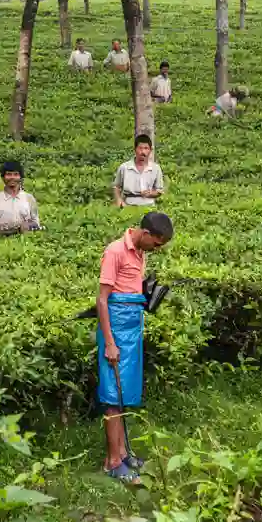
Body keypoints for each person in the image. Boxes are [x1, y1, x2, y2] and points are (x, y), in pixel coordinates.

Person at [96, 211, 174, 483]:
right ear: (146, 233)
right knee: (112, 396)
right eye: (157, 243)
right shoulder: (115, 251)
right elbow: (103, 300)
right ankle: (112, 462)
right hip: (116, 329)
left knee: (124, 394)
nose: (158, 248)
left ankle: (124, 452)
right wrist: (109, 343)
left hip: (132, 326)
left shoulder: (141, 252)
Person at [0, 160, 41, 234]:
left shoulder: (29, 198)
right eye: (9, 174)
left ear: (20, 178)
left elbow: (36, 223)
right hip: (0, 240)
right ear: (3, 177)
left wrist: (26, 226)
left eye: (16, 174)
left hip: (25, 241)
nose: (12, 177)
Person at [113, 134, 165, 208]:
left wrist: (151, 193)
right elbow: (117, 187)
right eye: (140, 148)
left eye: (146, 148)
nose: (143, 152)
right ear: (135, 149)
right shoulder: (124, 167)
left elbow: (159, 190)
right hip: (128, 205)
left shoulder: (156, 168)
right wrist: (119, 200)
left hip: (149, 206)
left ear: (150, 150)